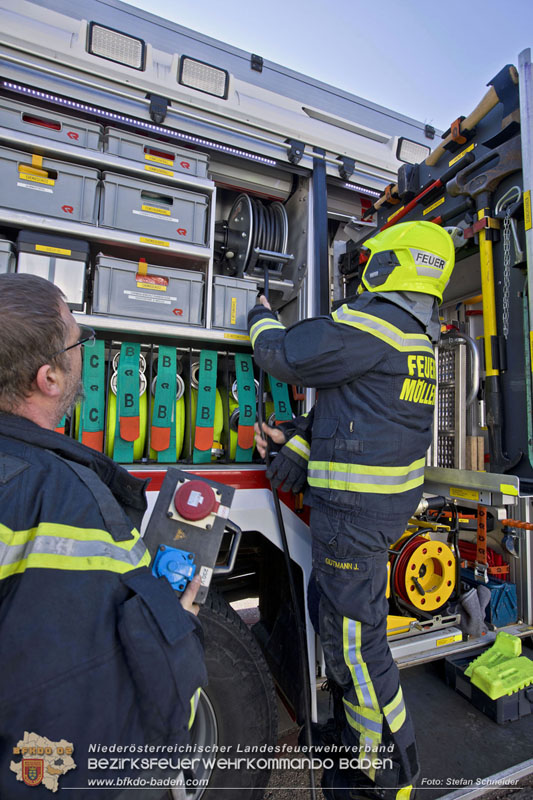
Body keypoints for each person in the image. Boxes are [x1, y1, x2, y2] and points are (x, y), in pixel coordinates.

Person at [248, 221, 455, 800]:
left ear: (392, 264)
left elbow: (286, 355)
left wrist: (259, 313)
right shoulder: (413, 337)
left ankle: (384, 775)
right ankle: (350, 738)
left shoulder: (374, 324)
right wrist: (297, 443)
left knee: (358, 650)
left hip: (353, 520)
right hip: (369, 516)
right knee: (338, 629)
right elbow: (357, 414)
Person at [0, 273, 207, 798]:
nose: (84, 348)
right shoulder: (73, 500)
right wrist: (173, 625)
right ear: (48, 378)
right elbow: (84, 698)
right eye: (78, 339)